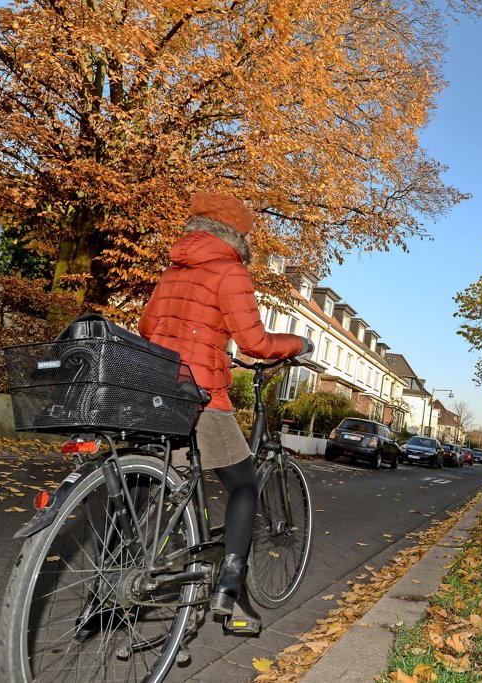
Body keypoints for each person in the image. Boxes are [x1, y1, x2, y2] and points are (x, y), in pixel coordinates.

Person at [139, 191, 310, 635]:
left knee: (169, 487)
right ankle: (228, 592)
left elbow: (147, 327)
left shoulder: (173, 271)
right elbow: (254, 343)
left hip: (157, 389)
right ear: (236, 235)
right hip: (200, 398)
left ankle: (137, 567)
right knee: (244, 484)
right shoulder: (230, 270)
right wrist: (297, 344)